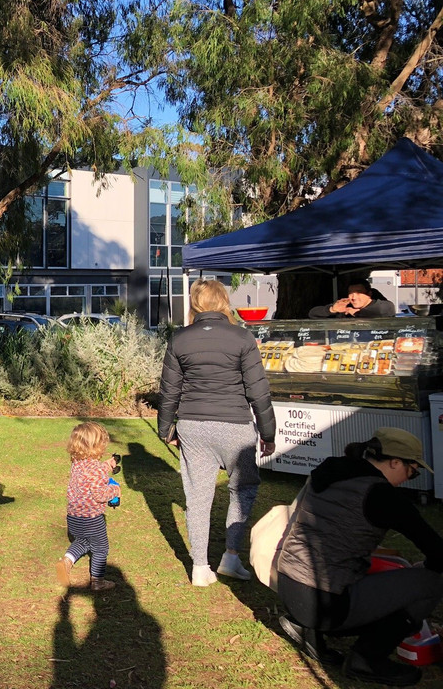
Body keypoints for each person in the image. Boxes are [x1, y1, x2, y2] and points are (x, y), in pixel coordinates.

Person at [277, 428, 442, 686]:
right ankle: (366, 660)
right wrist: (427, 566)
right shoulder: (380, 494)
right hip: (325, 603)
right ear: (395, 462)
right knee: (431, 583)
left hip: (288, 585)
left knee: (379, 568)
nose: (410, 478)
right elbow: (437, 551)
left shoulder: (330, 471)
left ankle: (309, 628)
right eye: (412, 471)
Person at [157, 280, 277, 587]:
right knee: (242, 489)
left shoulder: (179, 338)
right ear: (224, 302)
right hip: (235, 425)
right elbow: (258, 391)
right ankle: (231, 556)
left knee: (197, 497)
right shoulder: (242, 336)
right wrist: (268, 432)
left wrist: (165, 429)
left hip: (193, 426)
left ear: (195, 305)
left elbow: (169, 391)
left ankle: (199, 567)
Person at [55, 420, 121, 592]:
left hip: (73, 517)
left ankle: (66, 561)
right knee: (101, 548)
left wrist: (107, 465)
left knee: (83, 541)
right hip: (92, 519)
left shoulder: (77, 464)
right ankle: (98, 581)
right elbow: (100, 495)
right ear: (98, 446)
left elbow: (92, 473)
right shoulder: (97, 470)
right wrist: (114, 490)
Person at [308, 280, 397, 319]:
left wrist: (357, 313)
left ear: (369, 294)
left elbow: (382, 310)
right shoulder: (346, 307)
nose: (354, 297)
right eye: (351, 293)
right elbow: (312, 314)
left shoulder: (382, 305)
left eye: (359, 293)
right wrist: (332, 309)